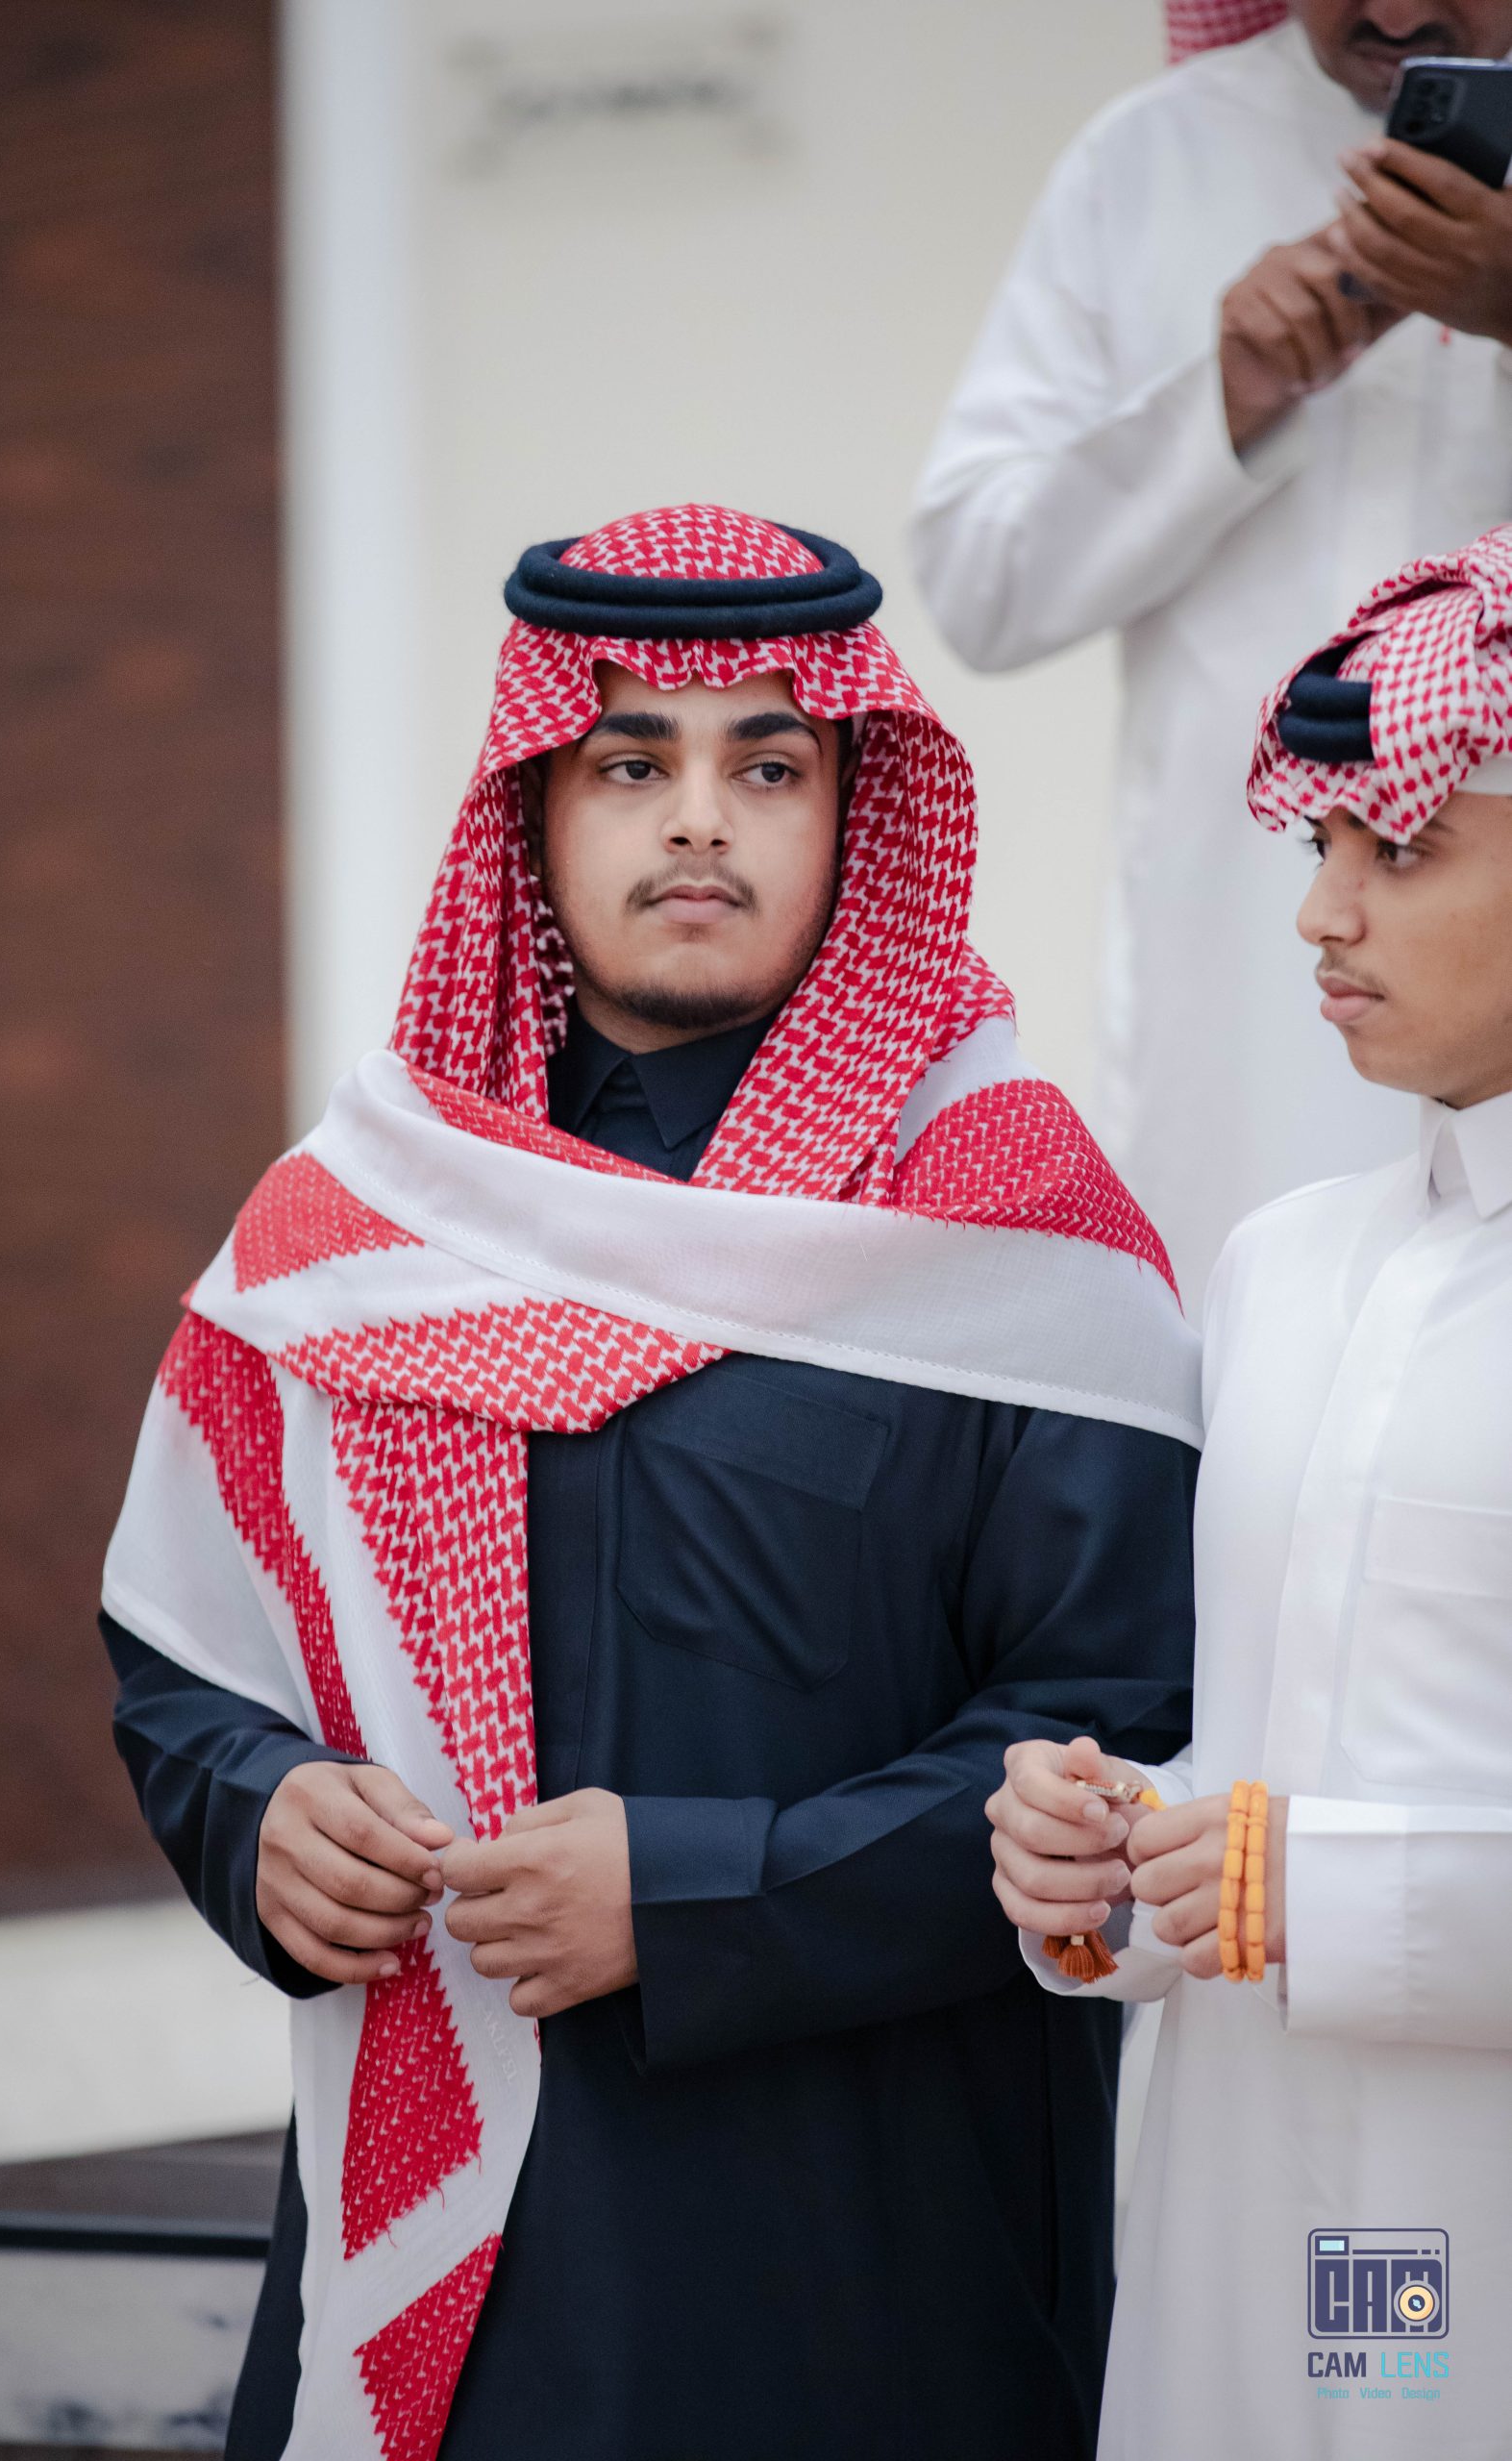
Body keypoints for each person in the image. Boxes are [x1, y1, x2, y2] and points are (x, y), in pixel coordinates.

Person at [100, 506, 1199, 2461]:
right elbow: (187, 1651)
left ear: (854, 816)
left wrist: (697, 1896)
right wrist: (257, 1814)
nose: (698, 820)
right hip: (447, 2276)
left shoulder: (1016, 1227)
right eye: (630, 764)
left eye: (767, 767)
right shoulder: (364, 1217)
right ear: (534, 810)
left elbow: (1113, 1738)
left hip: (867, 2260)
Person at [986, 527, 1512, 2459]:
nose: (1319, 913)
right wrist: (1107, 1863)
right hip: (1246, 2210)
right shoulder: (1280, 1267)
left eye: (1400, 848)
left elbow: (1290, 1855)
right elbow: (1247, 1770)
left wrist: (1312, 1886)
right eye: (1320, 843)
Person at [913, 0, 1512, 1304]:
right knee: (1247, 1362)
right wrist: (1226, 390)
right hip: (1242, 986)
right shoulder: (1152, 157)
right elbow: (980, 579)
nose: (1396, 12)